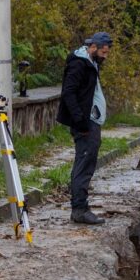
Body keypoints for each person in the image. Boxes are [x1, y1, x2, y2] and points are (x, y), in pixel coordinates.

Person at [56, 32, 112, 225]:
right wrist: (81, 122)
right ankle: (79, 210)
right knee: (84, 165)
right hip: (85, 124)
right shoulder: (79, 64)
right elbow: (68, 93)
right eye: (103, 52)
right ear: (93, 47)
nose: (105, 56)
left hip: (90, 121)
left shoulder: (91, 63)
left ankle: (81, 207)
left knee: (87, 163)